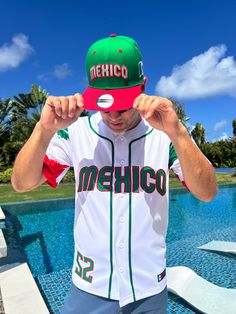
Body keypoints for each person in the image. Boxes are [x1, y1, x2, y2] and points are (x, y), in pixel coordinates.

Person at [11, 34, 217, 314]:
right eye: (105, 105)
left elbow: (207, 192)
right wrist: (43, 130)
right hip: (89, 288)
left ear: (143, 86)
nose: (114, 115)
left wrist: (178, 131)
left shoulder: (166, 134)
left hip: (149, 289)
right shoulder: (74, 132)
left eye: (123, 104)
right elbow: (21, 184)